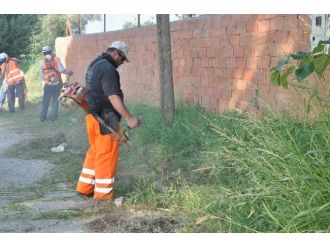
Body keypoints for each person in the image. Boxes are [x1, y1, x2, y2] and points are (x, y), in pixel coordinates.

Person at [76, 41, 140, 200]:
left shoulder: (95, 63)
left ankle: (85, 188)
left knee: (95, 152)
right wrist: (129, 118)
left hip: (92, 116)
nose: (122, 63)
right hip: (106, 119)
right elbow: (112, 96)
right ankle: (103, 196)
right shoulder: (108, 69)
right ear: (116, 54)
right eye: (123, 59)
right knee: (106, 156)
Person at [39, 45, 73, 121]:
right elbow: (61, 70)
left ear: (43, 53)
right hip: (57, 84)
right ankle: (53, 117)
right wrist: (68, 72)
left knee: (45, 101)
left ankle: (42, 117)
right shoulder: (56, 59)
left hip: (48, 85)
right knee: (55, 100)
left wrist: (46, 81)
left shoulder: (41, 62)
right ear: (51, 51)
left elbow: (42, 76)